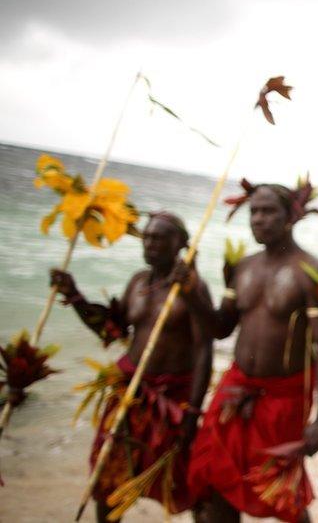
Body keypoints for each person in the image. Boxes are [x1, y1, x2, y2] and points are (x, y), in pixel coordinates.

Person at [184, 180, 318, 523]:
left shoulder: (309, 271)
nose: (258, 219)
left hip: (283, 396)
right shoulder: (243, 268)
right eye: (254, 211)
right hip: (235, 389)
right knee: (213, 483)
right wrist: (193, 294)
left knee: (282, 492)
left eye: (268, 211)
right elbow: (221, 327)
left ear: (290, 217)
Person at [50, 212, 213, 522]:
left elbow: (204, 350)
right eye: (147, 237)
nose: (150, 243)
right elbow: (113, 331)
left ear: (180, 244)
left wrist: (191, 413)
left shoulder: (192, 289)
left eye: (159, 238)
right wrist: (74, 295)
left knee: (190, 484)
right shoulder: (139, 280)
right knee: (107, 477)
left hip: (171, 402)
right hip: (130, 392)